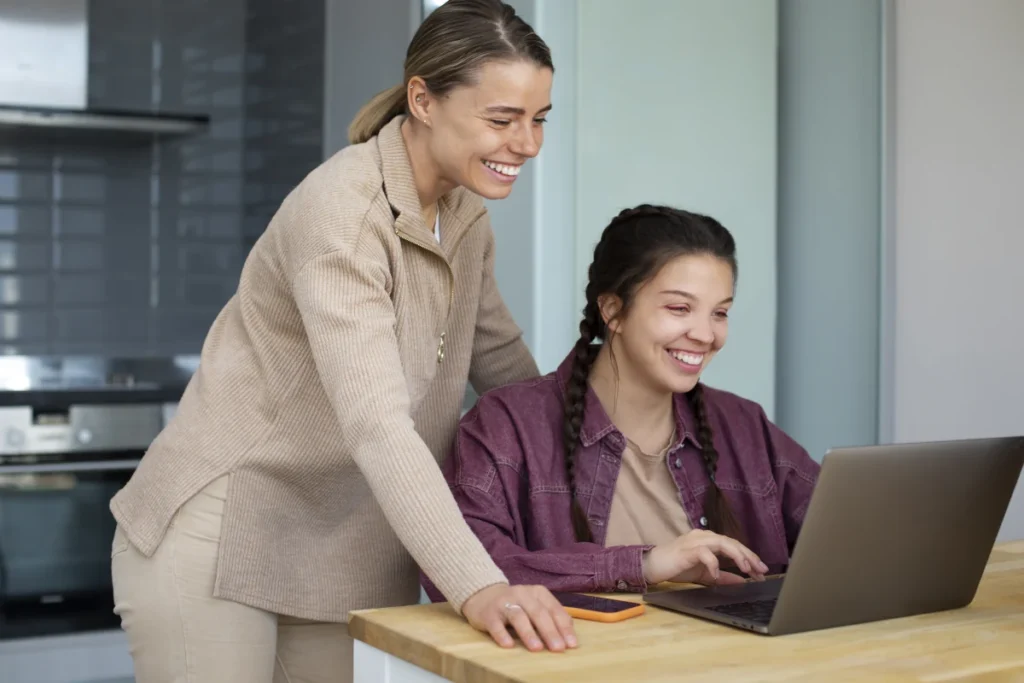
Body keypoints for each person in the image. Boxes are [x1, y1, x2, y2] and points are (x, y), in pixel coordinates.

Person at [108, 1, 578, 681]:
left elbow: (502, 361)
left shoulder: (462, 212)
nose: (527, 144)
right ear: (422, 99)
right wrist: (478, 583)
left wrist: (603, 477)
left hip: (342, 543)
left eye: (538, 120)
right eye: (502, 120)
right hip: (221, 532)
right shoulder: (345, 214)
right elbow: (377, 425)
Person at [423, 204, 821, 601]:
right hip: (571, 662)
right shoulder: (506, 425)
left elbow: (847, 536)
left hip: (732, 664)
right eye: (679, 308)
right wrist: (643, 565)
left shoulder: (742, 425)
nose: (706, 334)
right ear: (613, 311)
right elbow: (458, 566)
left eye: (720, 313)